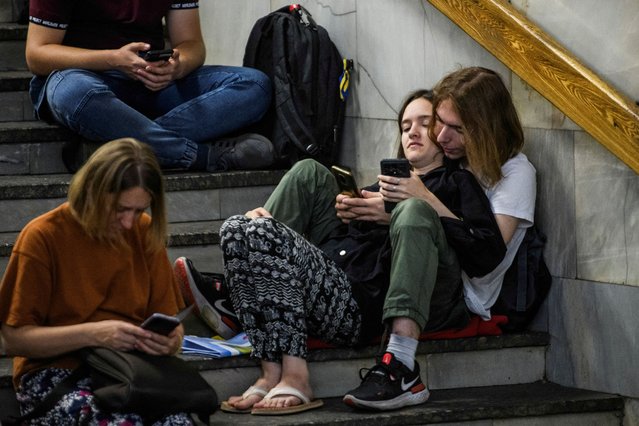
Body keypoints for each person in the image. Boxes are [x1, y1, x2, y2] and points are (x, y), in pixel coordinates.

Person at [174, 82, 511, 414]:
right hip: (336, 278)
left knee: (410, 210)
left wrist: (408, 206)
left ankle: (398, 362)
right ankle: (248, 297)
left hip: (366, 301)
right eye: (406, 125)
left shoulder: (456, 183)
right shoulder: (378, 186)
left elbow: (486, 253)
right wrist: (352, 213)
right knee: (258, 212)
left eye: (426, 123)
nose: (414, 132)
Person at [0, 138, 190, 424]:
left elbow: (167, 320)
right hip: (55, 373)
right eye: (120, 209)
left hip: (128, 369)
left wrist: (170, 341)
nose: (129, 222)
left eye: (139, 211)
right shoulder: (43, 236)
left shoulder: (144, 231)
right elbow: (12, 339)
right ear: (92, 192)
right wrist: (95, 333)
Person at [25, 0, 274, 172]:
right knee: (74, 93)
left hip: (149, 80)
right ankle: (200, 156)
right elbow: (37, 55)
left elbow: (191, 43)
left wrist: (178, 65)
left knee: (255, 85)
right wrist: (112, 59)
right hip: (82, 78)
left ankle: (110, 148)